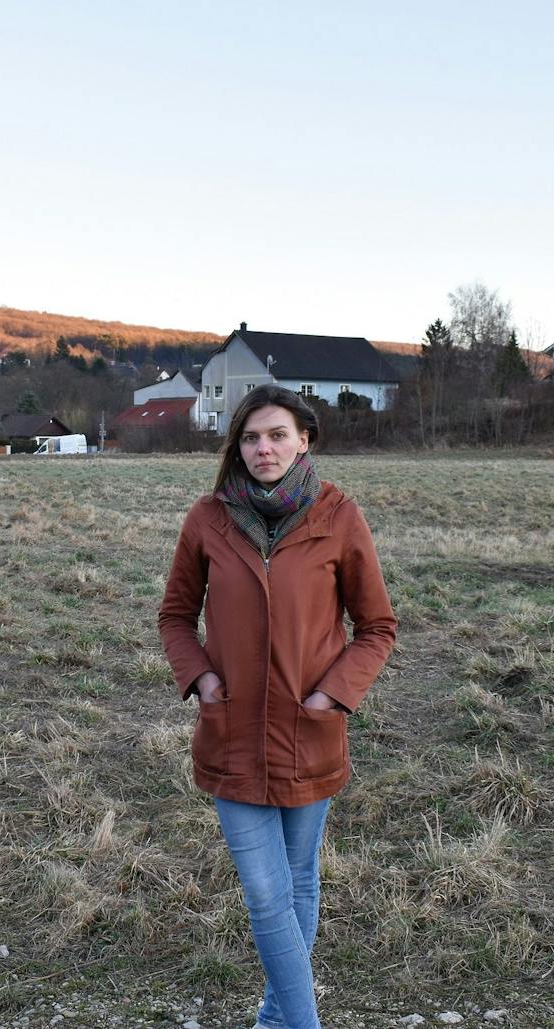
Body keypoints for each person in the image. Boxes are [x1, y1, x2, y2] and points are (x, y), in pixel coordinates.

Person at [158, 384, 396, 1029]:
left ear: (304, 440)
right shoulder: (207, 518)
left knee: (298, 882)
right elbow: (176, 617)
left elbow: (377, 627)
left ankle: (274, 1019)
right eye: (251, 437)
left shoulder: (338, 516)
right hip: (231, 730)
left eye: (277, 435)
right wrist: (203, 681)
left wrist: (332, 696)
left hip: (309, 731)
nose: (264, 448)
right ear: (236, 446)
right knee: (267, 895)